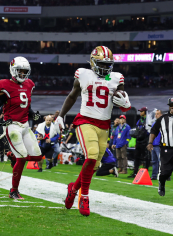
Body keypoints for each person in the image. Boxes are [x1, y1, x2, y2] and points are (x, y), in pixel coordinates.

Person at [59, 46, 131, 216]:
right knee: (91, 156)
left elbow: (122, 101)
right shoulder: (83, 74)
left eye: (108, 64)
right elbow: (72, 96)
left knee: (94, 165)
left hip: (104, 126)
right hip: (85, 121)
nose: (105, 68)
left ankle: (73, 188)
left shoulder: (116, 78)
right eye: (101, 63)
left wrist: (126, 103)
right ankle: (84, 197)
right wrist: (61, 116)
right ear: (92, 62)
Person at [0, 56, 42, 200]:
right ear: (13, 70)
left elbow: (27, 107)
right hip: (11, 125)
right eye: (19, 71)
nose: (22, 74)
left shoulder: (29, 84)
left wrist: (34, 115)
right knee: (22, 158)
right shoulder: (4, 85)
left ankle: (11, 155)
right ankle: (13, 191)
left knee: (38, 156)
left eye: (24, 71)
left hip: (25, 124)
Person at [129, 107, 150, 178]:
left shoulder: (148, 120)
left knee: (145, 157)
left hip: (145, 141)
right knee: (136, 157)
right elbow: (137, 131)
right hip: (139, 141)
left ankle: (145, 173)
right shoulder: (139, 120)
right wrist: (135, 141)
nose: (140, 112)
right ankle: (135, 172)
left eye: (142, 111)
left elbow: (149, 131)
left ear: (145, 112)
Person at [150, 110, 162, 180]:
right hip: (154, 144)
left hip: (159, 145)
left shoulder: (163, 123)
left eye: (157, 114)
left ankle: (165, 175)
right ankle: (154, 175)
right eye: (155, 114)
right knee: (154, 161)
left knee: (161, 161)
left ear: (161, 115)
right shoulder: (153, 123)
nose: (156, 115)